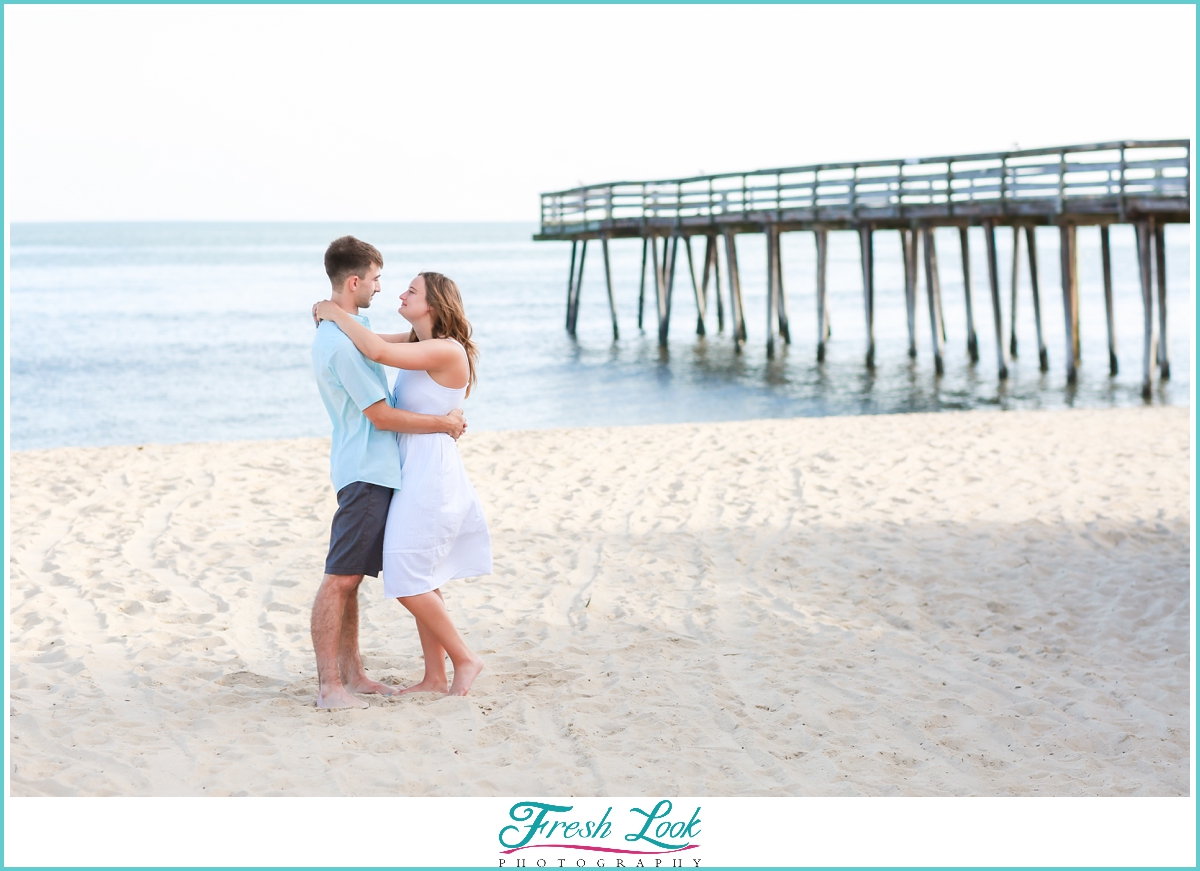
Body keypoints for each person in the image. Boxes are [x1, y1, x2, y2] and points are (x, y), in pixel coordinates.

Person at [314, 271, 491, 697]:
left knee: (404, 573)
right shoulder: (417, 343)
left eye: (412, 291)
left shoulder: (446, 350)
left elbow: (372, 347)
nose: (400, 293)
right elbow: (367, 342)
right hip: (410, 469)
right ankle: (434, 677)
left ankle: (465, 658)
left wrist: (330, 309)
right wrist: (335, 318)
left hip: (431, 474)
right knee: (422, 575)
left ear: (432, 304)